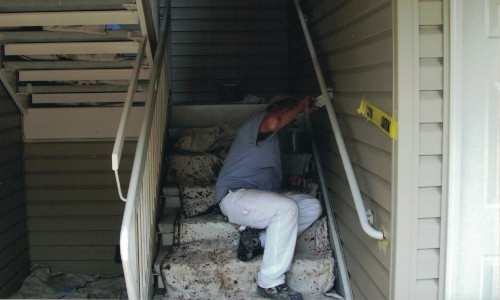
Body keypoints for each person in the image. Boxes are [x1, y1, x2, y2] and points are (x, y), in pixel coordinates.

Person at [215, 95, 323, 299]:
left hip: (257, 197)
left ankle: (259, 241)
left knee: (311, 206)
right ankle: (270, 283)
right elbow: (275, 121)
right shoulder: (260, 121)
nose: (292, 117)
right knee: (287, 208)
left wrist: (290, 179)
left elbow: (263, 181)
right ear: (276, 108)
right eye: (289, 110)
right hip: (234, 196)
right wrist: (300, 104)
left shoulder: (274, 141)